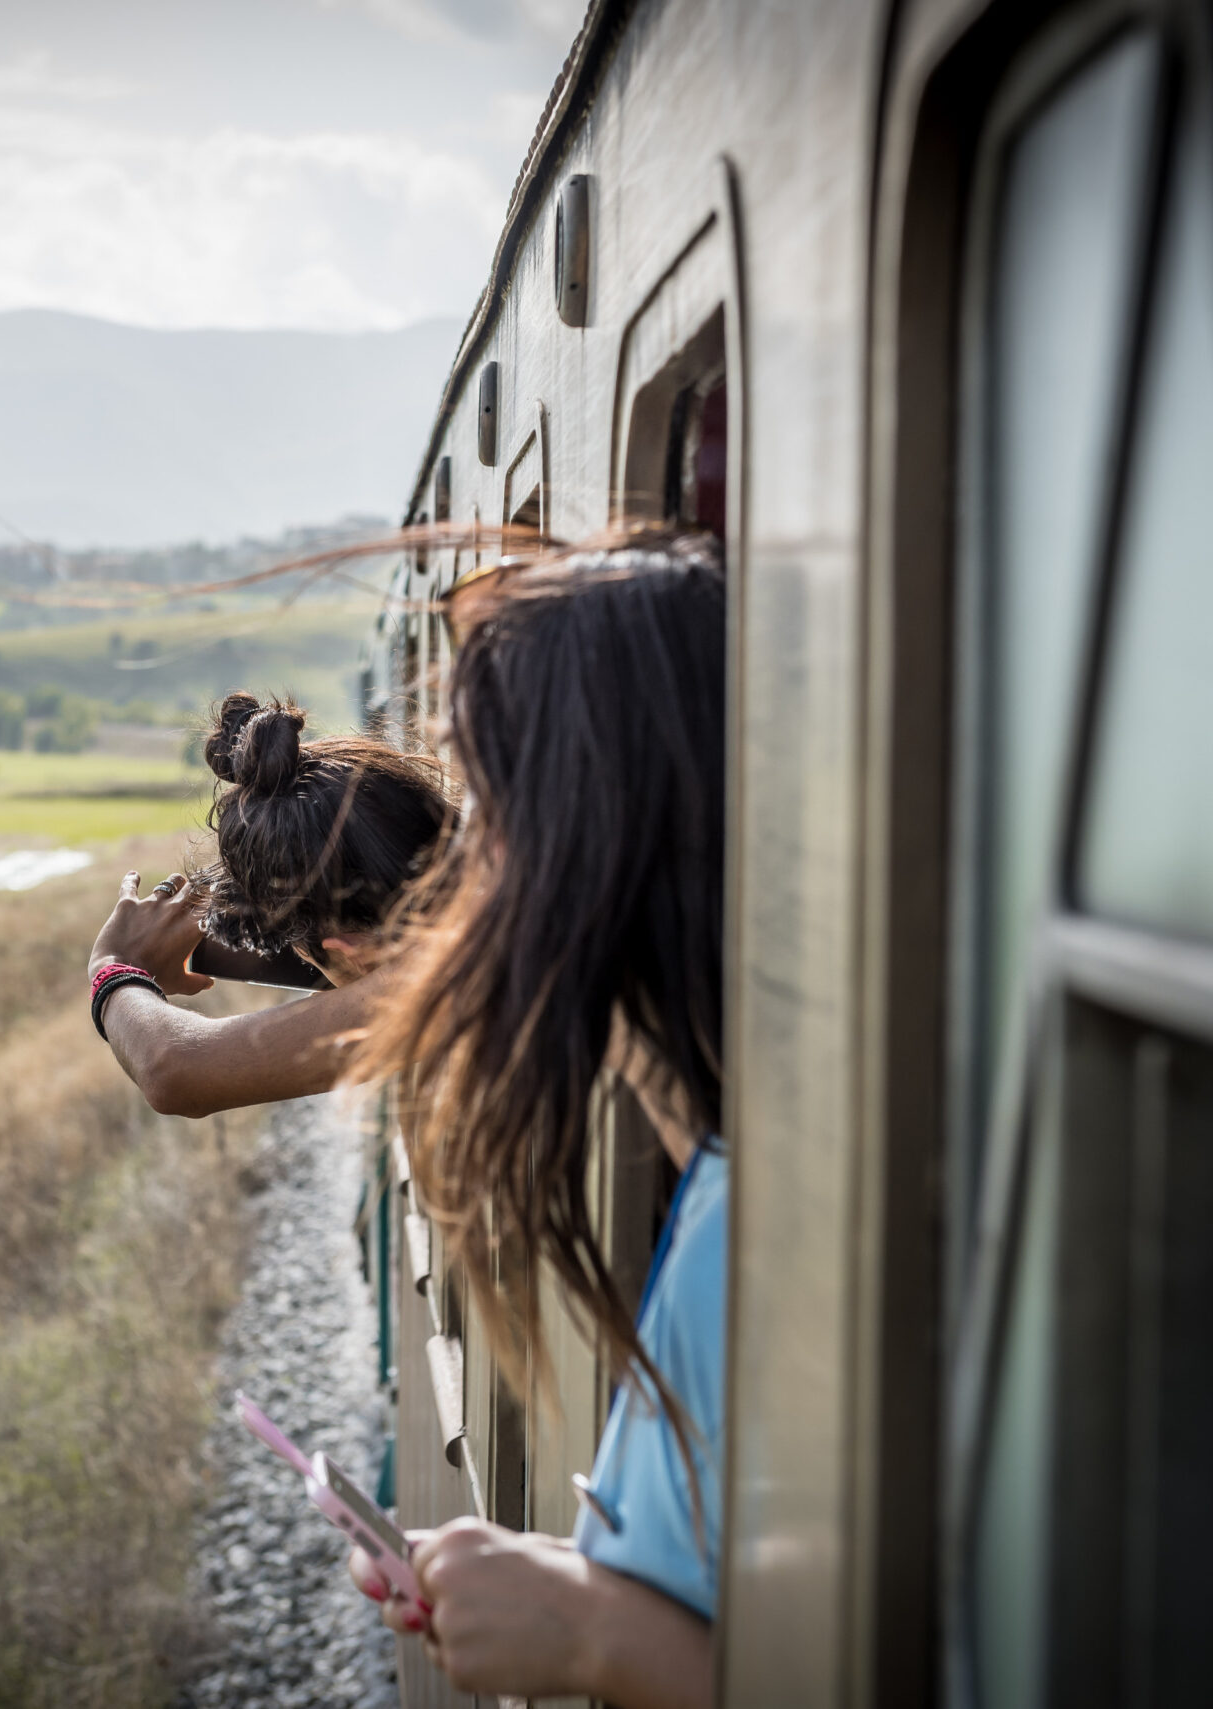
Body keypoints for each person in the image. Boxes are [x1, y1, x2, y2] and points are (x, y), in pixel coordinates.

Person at [341, 529, 729, 1709]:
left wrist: (597, 1637)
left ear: (589, 842)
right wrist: (564, 1590)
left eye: (487, 815)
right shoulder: (719, 1181)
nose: (459, 884)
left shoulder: (752, 1240)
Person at [86, 691, 453, 1117]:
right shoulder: (496, 880)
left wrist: (113, 965)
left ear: (349, 952)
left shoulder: (454, 978)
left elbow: (175, 1071)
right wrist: (207, 944)